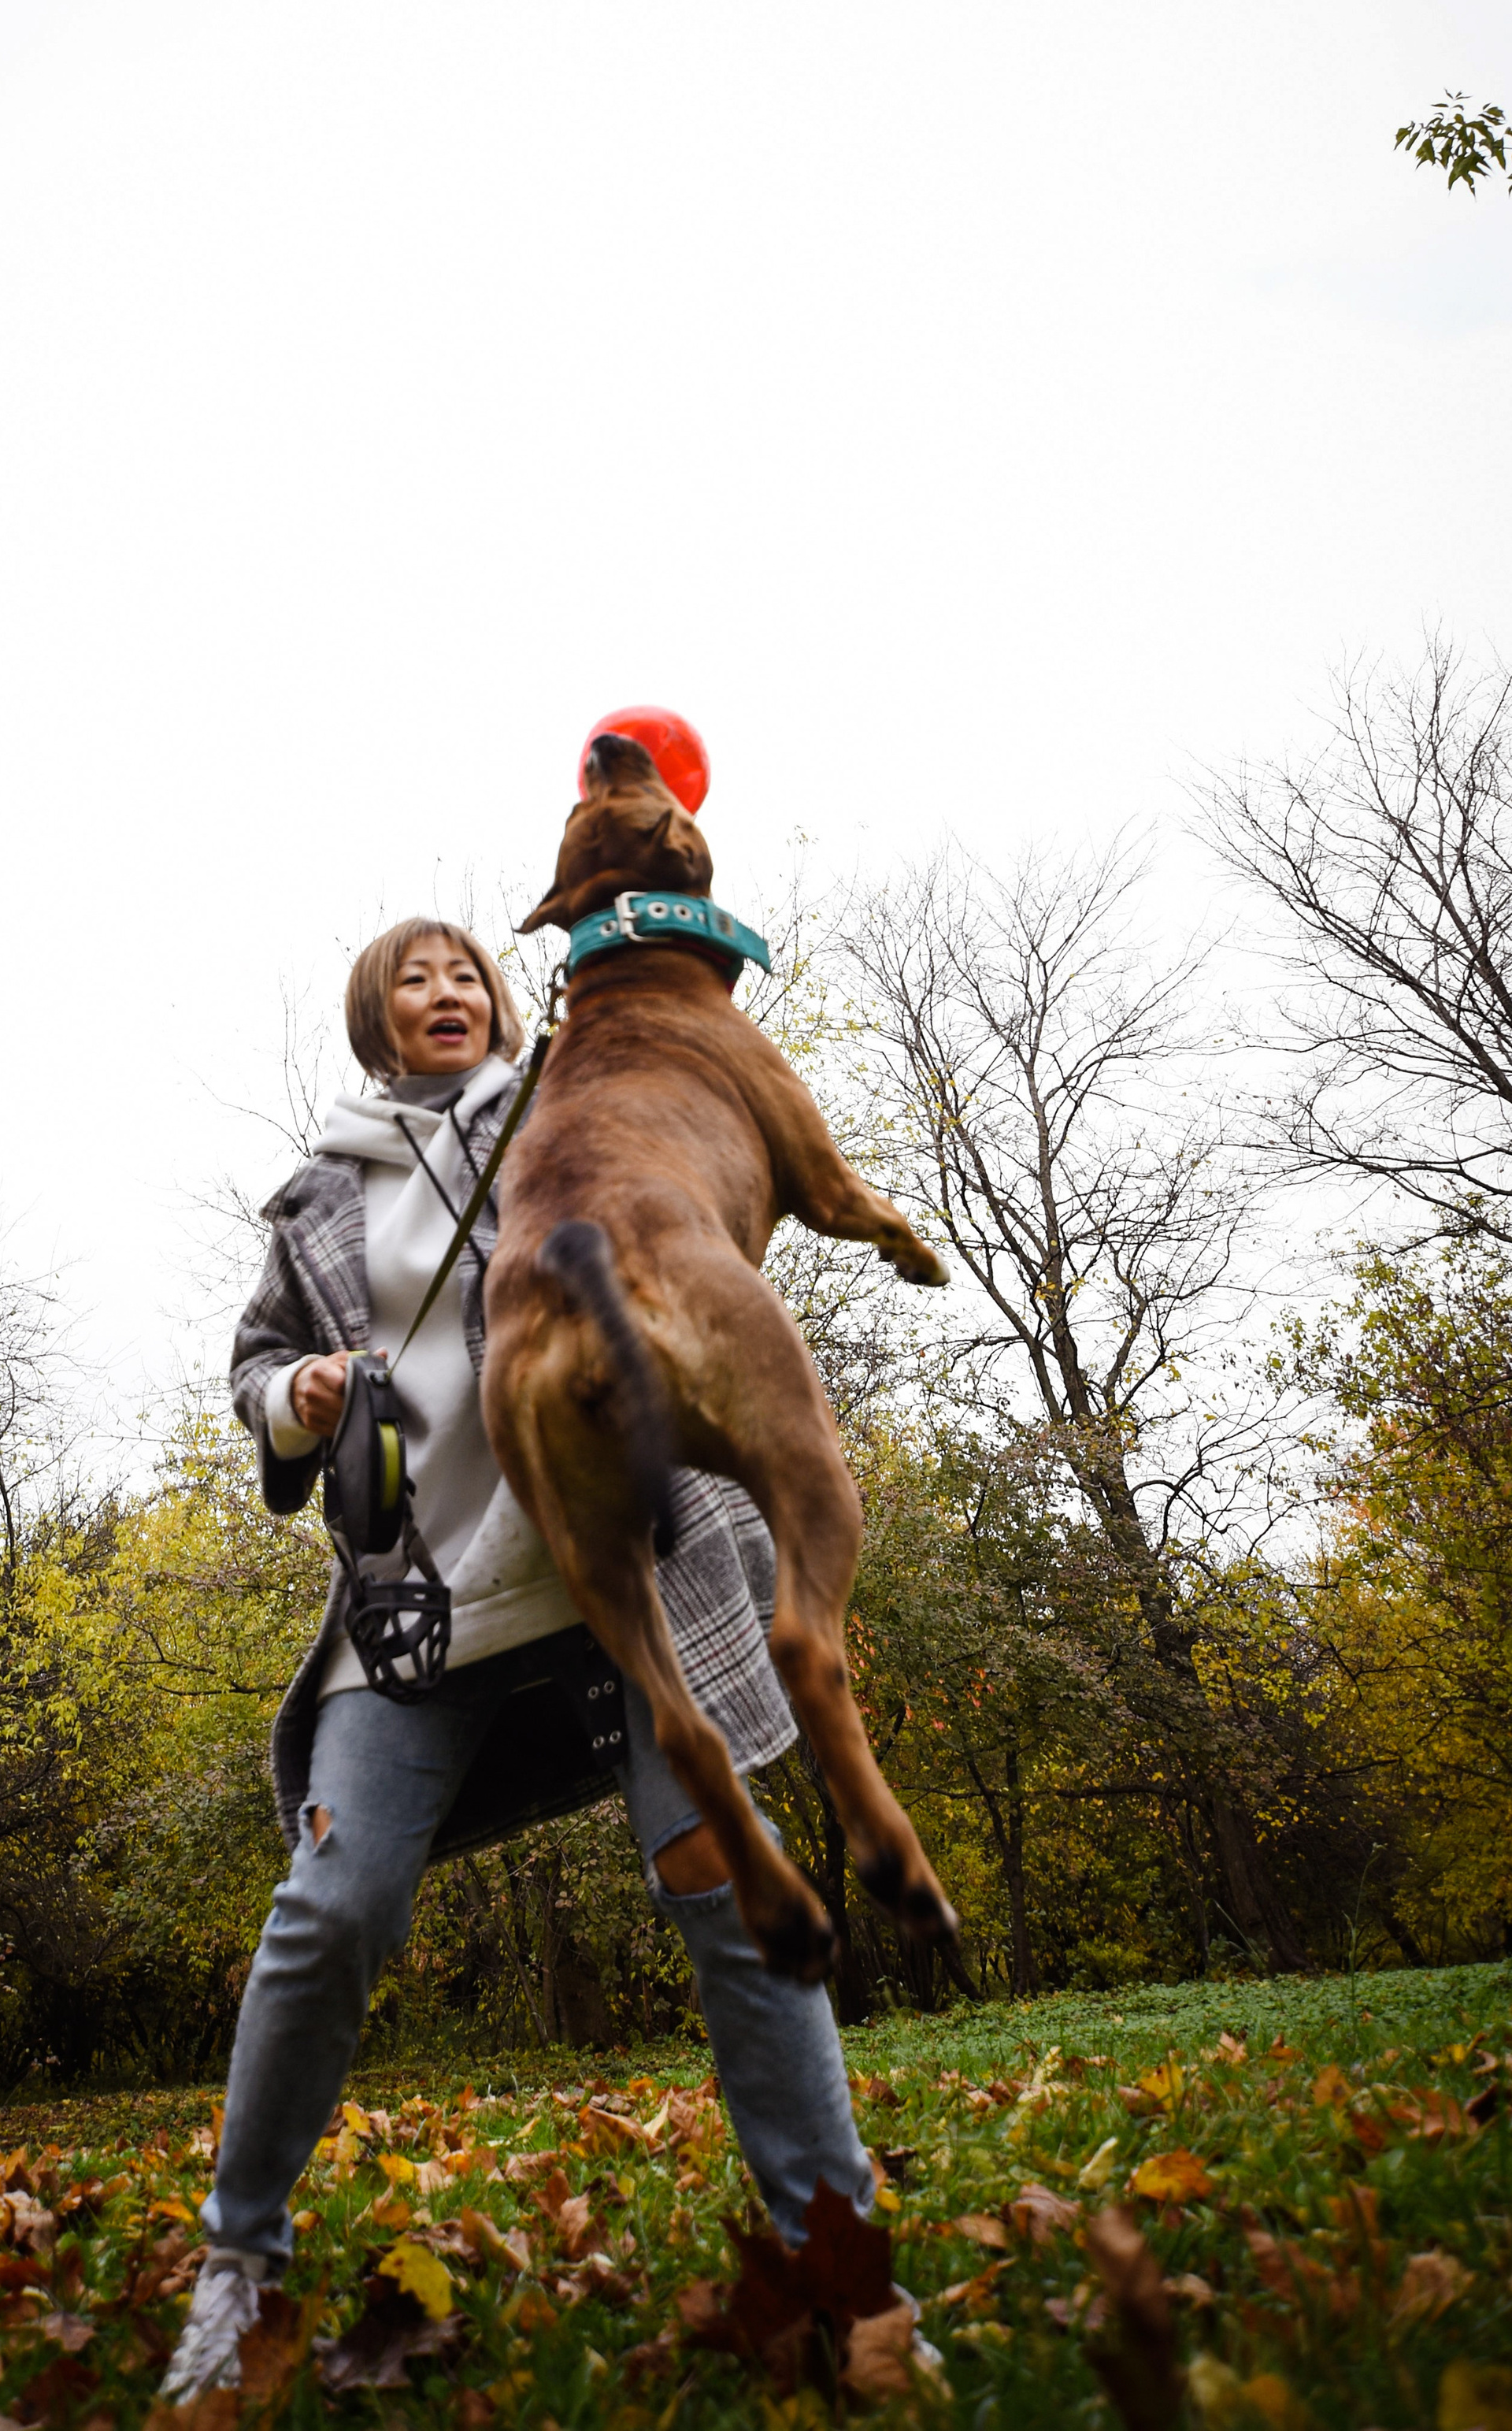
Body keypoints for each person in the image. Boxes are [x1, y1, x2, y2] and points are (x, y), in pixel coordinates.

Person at [162, 917, 884, 2399]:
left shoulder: (572, 1104)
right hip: (421, 1607)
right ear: (376, 1021)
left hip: (632, 1567)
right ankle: (237, 2266)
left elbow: (692, 1097)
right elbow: (250, 1367)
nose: (446, 992)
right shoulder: (316, 1197)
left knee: (729, 1887)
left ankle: (839, 2260)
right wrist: (294, 1391)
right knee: (333, 1902)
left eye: (466, 975)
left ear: (504, 1004)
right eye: (412, 979)